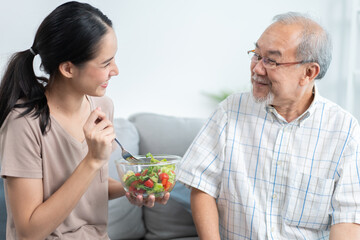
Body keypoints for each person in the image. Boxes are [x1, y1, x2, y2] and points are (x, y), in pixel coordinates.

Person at [177, 12, 360, 239]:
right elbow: (201, 187)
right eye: (256, 55)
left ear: (309, 72)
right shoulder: (230, 110)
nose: (256, 69)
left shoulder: (344, 130)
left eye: (271, 61)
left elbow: (349, 220)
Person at [0, 2, 169, 239]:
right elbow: (29, 231)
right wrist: (92, 160)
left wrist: (134, 186)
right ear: (68, 68)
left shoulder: (102, 107)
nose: (116, 70)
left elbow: (91, 186)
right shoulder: (23, 123)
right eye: (105, 63)